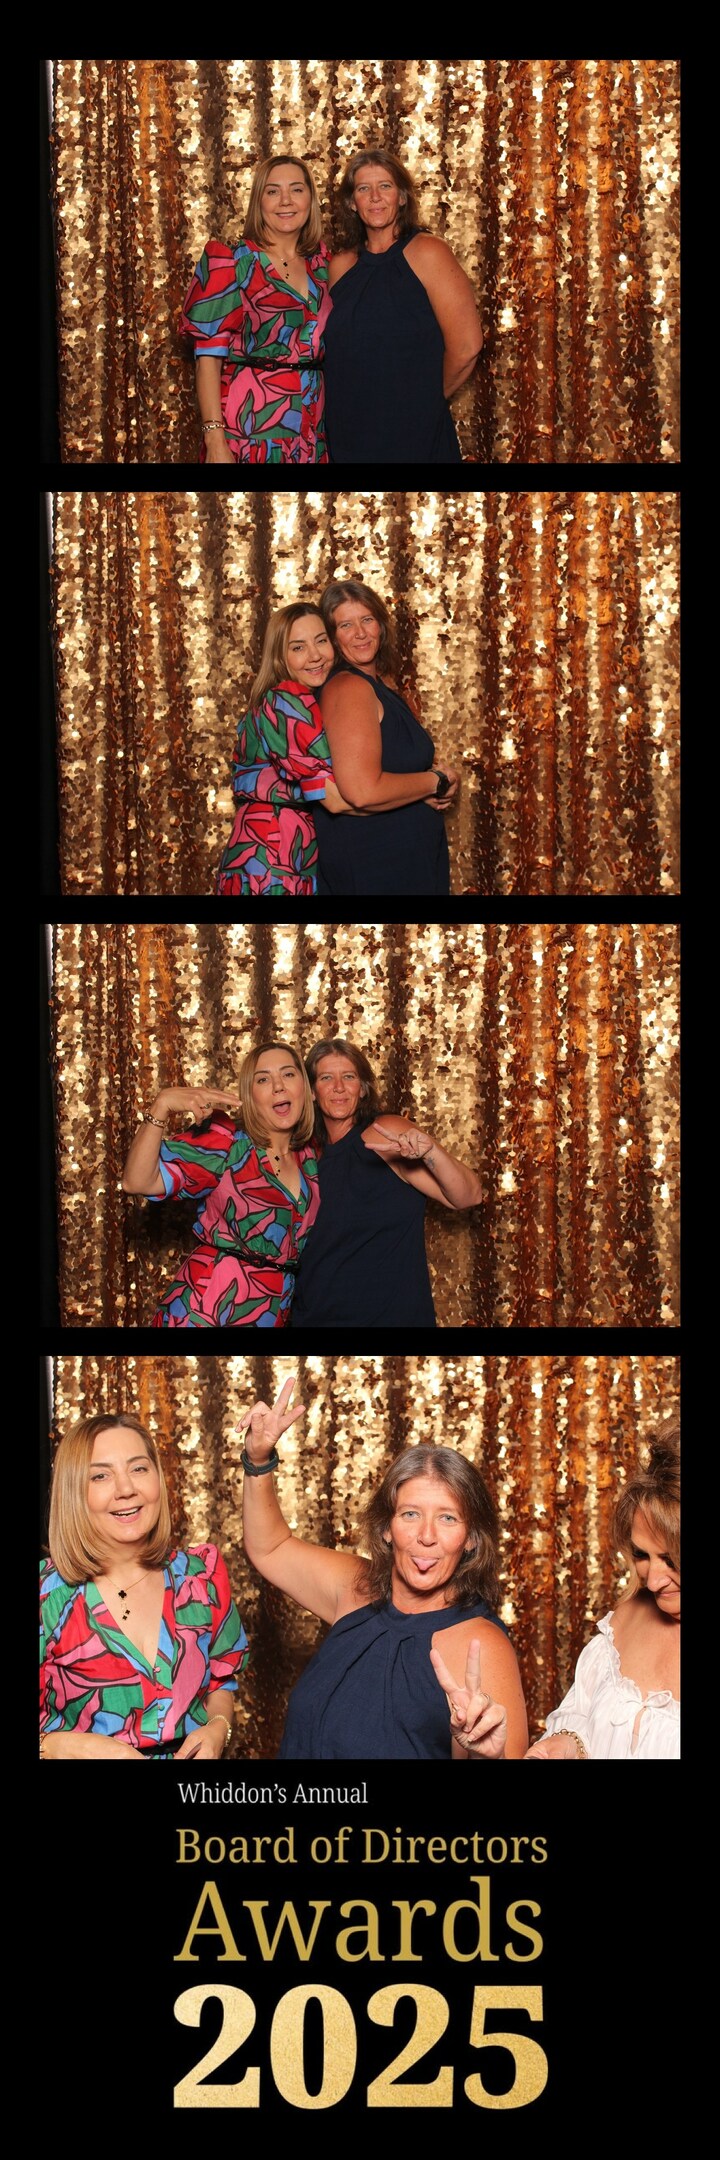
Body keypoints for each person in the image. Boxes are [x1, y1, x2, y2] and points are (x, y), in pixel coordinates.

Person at [241, 1381, 528, 1761]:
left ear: (472, 1538)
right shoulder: (355, 1588)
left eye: (447, 1518)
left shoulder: (481, 1645)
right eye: (410, 1514)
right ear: (386, 1528)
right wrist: (258, 1460)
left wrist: (486, 1756)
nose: (427, 1536)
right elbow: (270, 1548)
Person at [40, 1413, 247, 1759]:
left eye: (138, 1469)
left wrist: (217, 1729)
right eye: (100, 1475)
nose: (126, 1490)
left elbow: (221, 1680)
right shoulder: (48, 1595)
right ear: (73, 1491)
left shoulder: (198, 1577)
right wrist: (66, 1746)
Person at [122, 1042, 319, 1327]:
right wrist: (161, 1105)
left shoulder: (310, 1156)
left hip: (272, 1310)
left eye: (288, 1074)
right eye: (263, 1079)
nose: (278, 1086)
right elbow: (137, 1181)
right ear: (250, 1096)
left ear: (306, 1088)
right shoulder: (226, 1142)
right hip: (207, 1305)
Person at [290, 1038, 483, 1328]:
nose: (339, 1087)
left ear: (363, 1088)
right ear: (313, 1092)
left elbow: (469, 1196)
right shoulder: (304, 1156)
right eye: (326, 1078)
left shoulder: (384, 1133)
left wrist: (431, 1152)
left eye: (349, 1077)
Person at [525, 1430, 680, 1760]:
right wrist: (567, 1745)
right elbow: (583, 1721)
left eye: (671, 1560)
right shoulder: (624, 1621)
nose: (653, 1582)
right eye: (642, 1555)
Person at [324, 146, 483, 464]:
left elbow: (467, 347)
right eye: (363, 189)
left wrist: (423, 401)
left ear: (401, 197)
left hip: (414, 434)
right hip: (347, 433)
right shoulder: (340, 265)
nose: (375, 197)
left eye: (385, 186)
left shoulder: (428, 252)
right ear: (352, 203)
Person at [179, 155, 331, 464]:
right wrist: (214, 441)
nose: (286, 201)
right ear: (259, 201)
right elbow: (207, 360)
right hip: (250, 430)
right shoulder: (232, 262)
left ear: (310, 200)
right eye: (273, 191)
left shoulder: (325, 265)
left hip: (313, 429)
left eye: (297, 189)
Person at [312, 580, 458, 896]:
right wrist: (435, 782)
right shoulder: (349, 688)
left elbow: (388, 776)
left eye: (367, 619)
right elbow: (362, 791)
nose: (360, 633)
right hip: (377, 867)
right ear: (332, 637)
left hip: (404, 862)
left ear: (380, 624)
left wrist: (421, 790)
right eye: (346, 625)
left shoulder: (377, 687)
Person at [215, 604, 349, 896]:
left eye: (321, 640)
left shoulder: (299, 699)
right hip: (273, 858)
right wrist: (416, 796)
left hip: (278, 853)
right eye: (298, 647)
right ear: (279, 656)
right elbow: (335, 799)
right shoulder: (286, 702)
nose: (315, 655)